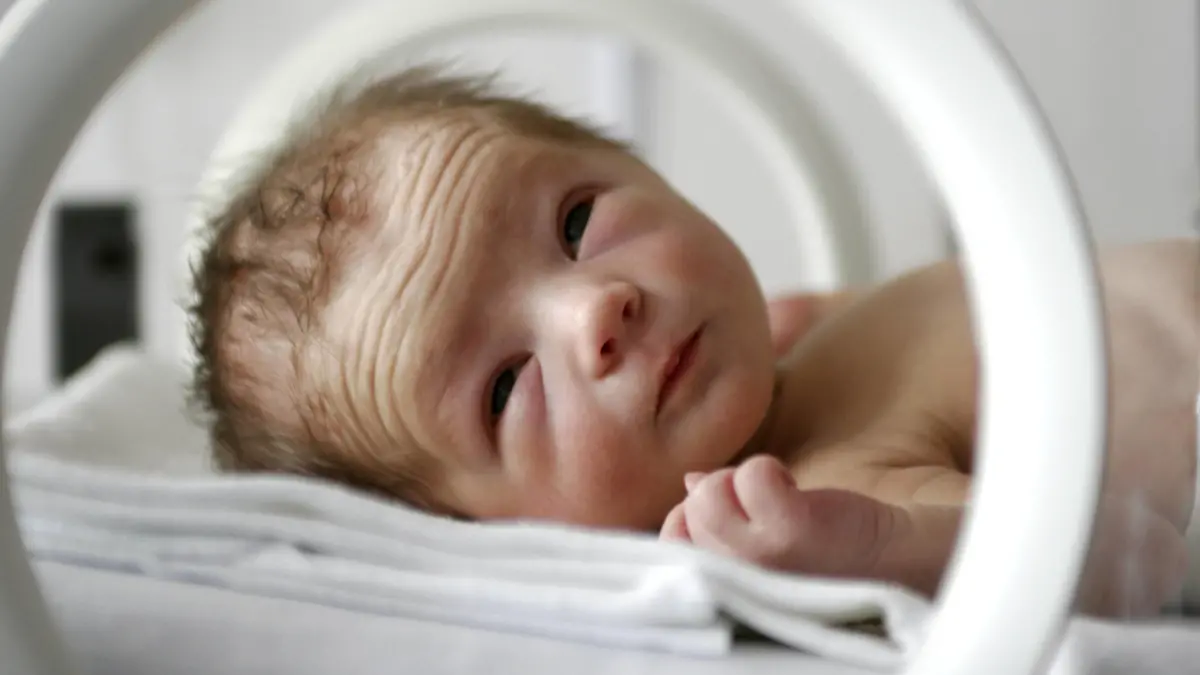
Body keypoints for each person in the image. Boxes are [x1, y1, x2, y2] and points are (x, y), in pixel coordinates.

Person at [188, 66, 1199, 618]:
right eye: (502, 389)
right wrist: (866, 548)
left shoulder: (802, 348)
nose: (594, 312)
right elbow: (1080, 556)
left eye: (578, 222)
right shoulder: (826, 481)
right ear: (491, 543)